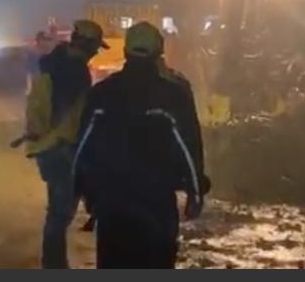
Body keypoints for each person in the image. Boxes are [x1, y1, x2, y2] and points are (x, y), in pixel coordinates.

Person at [73, 21, 210, 269]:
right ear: (159, 53)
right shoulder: (173, 96)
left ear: (125, 51)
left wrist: (83, 190)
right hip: (156, 205)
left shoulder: (102, 94)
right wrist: (195, 192)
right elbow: (189, 148)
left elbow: (83, 147)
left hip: (112, 205)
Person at [23, 19, 108, 269]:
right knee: (60, 214)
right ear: (87, 44)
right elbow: (73, 117)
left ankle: (54, 263)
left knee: (58, 212)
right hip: (62, 147)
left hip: (46, 145)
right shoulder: (73, 71)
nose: (95, 53)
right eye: (94, 47)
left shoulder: (53, 63)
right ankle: (54, 265)